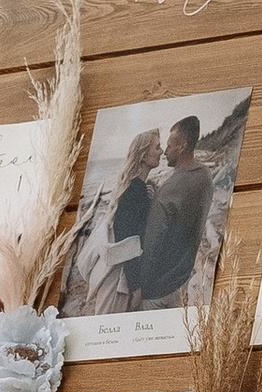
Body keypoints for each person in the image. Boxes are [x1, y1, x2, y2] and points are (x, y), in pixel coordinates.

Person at [66, 128, 161, 314]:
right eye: (157, 147)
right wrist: (135, 286)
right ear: (142, 155)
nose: (162, 151)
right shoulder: (136, 191)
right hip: (119, 277)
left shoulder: (136, 188)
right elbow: (128, 241)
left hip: (117, 272)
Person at [130, 112, 219, 310]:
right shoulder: (205, 177)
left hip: (156, 293)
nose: (165, 151)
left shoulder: (168, 191)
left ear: (183, 146)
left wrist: (140, 289)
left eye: (170, 145)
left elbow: (152, 247)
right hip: (182, 281)